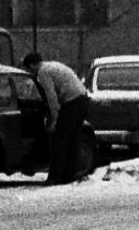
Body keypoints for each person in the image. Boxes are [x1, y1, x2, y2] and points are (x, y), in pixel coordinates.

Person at [24, 52, 91, 183]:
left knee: (59, 141)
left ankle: (55, 177)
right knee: (73, 140)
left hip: (71, 102)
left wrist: (54, 119)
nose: (31, 73)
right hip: (83, 99)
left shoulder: (43, 72)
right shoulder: (53, 65)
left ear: (32, 65)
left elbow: (51, 97)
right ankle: (69, 176)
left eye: (29, 69)